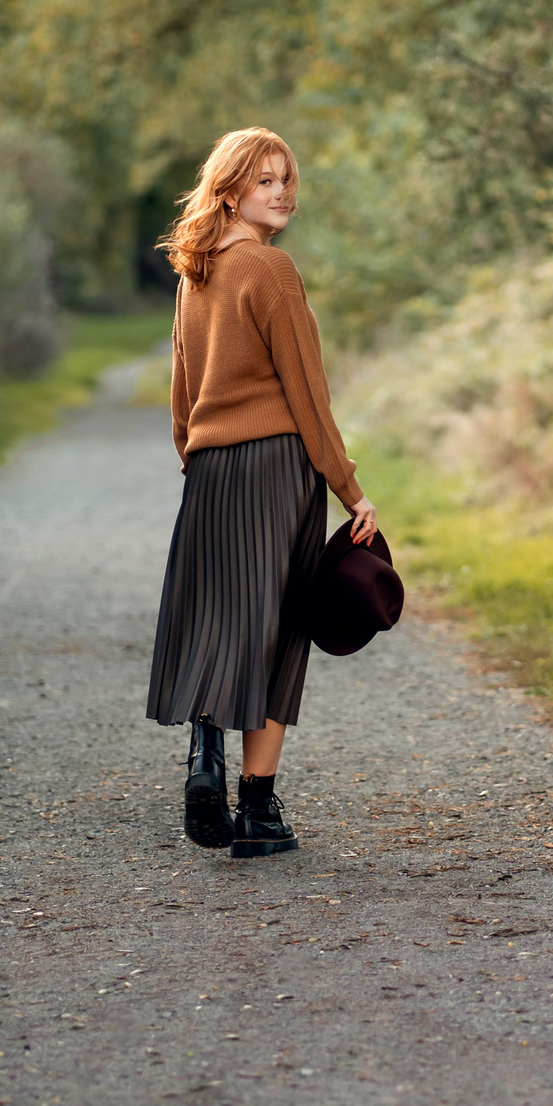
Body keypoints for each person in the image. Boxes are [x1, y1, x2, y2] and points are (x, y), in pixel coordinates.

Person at [145, 127, 377, 859]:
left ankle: (203, 755)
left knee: (218, 621)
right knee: (275, 632)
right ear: (231, 189)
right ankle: (259, 811)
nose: (282, 193)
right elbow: (307, 395)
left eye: (285, 179)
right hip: (278, 468)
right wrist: (348, 489)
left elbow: (183, 386)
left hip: (210, 471)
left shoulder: (198, 273)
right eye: (264, 180)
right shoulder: (270, 272)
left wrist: (194, 452)